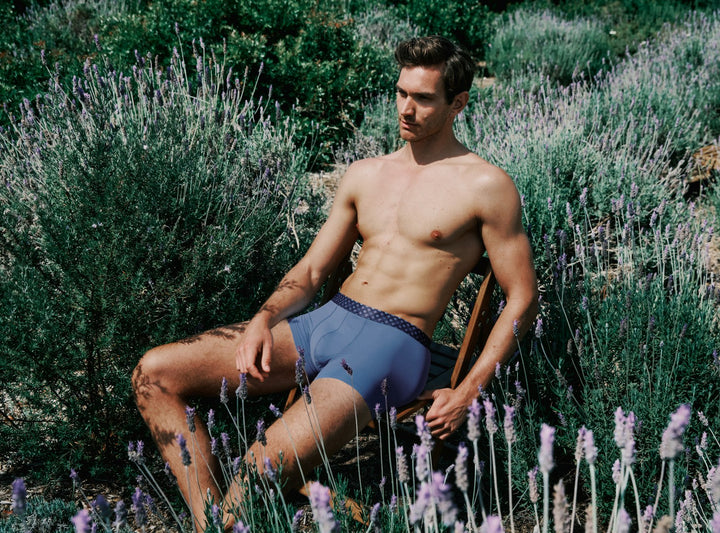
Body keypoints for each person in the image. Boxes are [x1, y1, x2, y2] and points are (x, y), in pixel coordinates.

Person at [132, 35, 538, 527]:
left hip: (393, 344)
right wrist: (263, 319)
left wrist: (471, 389)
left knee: (259, 472)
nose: (406, 109)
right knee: (153, 374)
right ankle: (208, 522)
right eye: (401, 93)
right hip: (326, 322)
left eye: (423, 98)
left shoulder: (486, 185)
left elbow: (522, 297)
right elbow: (311, 271)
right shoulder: (366, 174)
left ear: (458, 103)